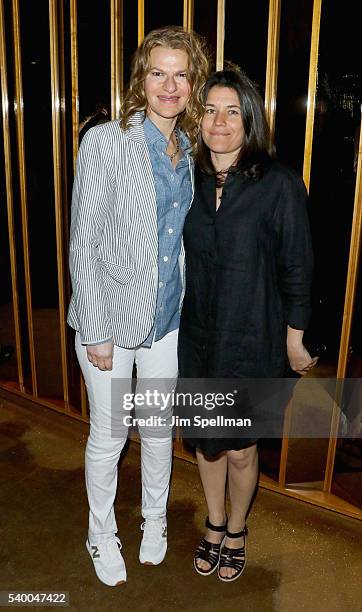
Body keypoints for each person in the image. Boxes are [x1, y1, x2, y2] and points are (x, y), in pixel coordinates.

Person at [68, 26, 209, 587]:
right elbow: (85, 238)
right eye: (158, 73)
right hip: (111, 321)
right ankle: (99, 533)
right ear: (141, 80)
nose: (169, 85)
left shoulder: (192, 148)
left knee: (155, 430)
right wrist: (97, 329)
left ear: (193, 82)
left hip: (167, 319)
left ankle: (155, 520)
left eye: (180, 74)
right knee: (109, 434)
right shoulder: (108, 140)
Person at [178, 68, 317, 582]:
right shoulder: (185, 180)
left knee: (239, 446)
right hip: (197, 338)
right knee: (204, 443)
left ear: (250, 120)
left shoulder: (277, 184)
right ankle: (213, 523)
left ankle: (236, 529)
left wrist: (296, 337)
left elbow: (298, 265)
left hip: (252, 337)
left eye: (232, 111)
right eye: (210, 109)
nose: (219, 121)